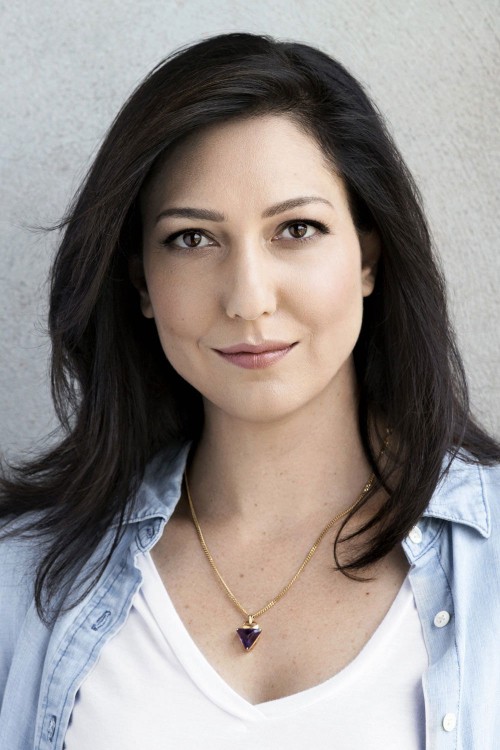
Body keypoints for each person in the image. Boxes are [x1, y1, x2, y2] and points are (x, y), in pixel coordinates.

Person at [0, 31, 499, 750]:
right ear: (141, 283)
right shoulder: (24, 575)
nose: (248, 299)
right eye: (192, 239)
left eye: (296, 228)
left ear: (368, 256)